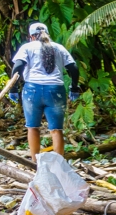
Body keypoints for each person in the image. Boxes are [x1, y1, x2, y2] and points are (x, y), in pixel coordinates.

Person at [9, 23, 81, 160]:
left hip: (32, 90)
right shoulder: (59, 48)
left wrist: (13, 88)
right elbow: (74, 69)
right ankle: (59, 163)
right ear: (47, 33)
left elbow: (18, 67)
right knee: (56, 130)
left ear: (31, 36)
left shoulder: (27, 47)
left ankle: (35, 162)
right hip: (56, 90)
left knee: (32, 127)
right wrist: (74, 87)